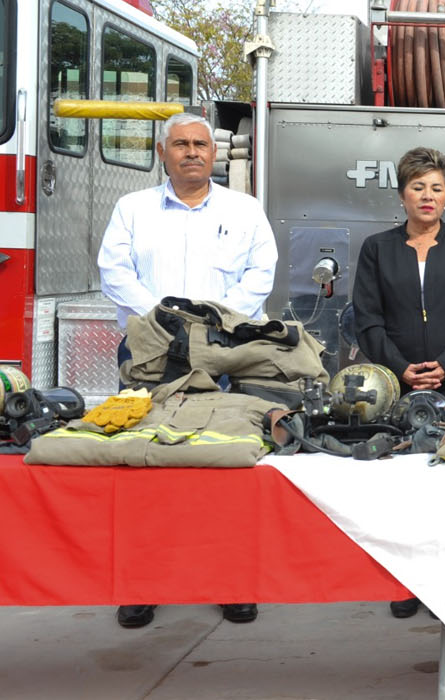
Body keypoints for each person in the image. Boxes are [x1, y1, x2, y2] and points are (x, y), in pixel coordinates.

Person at [98, 112, 277, 629]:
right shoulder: (133, 209)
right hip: (148, 355)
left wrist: (210, 327)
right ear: (163, 153)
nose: (192, 152)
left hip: (223, 354)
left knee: (225, 468)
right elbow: (114, 272)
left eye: (200, 143)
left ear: (213, 154)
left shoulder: (245, 210)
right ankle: (141, 585)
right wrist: (164, 322)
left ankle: (231, 582)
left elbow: (259, 276)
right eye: (180, 144)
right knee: (142, 468)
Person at [352, 146, 445, 619]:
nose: (427, 196)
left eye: (436, 188)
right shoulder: (377, 249)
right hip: (399, 384)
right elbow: (368, 318)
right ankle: (407, 582)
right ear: (402, 195)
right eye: (418, 187)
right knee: (406, 484)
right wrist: (400, 369)